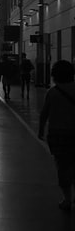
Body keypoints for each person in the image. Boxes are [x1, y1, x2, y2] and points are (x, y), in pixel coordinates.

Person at [38, 60, 75, 211]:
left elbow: (44, 114)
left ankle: (67, 199)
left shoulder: (52, 93)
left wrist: (41, 130)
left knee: (63, 166)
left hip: (59, 135)